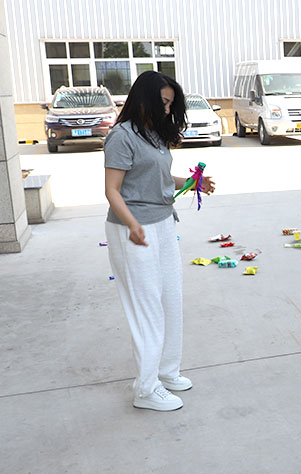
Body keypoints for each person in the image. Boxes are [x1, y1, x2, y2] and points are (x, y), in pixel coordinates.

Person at [104, 71, 215, 411]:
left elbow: (159, 176)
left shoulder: (153, 133)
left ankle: (166, 371)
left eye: (170, 104)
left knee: (170, 299)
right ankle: (146, 389)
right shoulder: (121, 136)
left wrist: (192, 182)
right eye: (164, 103)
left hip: (164, 222)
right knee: (147, 307)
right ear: (145, 99)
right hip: (134, 229)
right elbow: (112, 190)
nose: (167, 109)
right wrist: (132, 224)